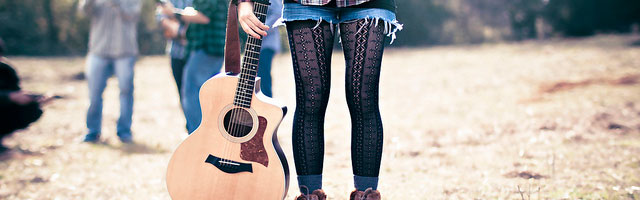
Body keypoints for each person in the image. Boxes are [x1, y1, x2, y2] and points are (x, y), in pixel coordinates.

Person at [237, 0, 402, 199]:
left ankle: (366, 193)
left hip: (368, 2)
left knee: (363, 99)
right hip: (306, 2)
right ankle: (310, 194)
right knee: (310, 100)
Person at [78, 0, 142, 143]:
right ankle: (92, 131)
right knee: (94, 93)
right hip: (98, 51)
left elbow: (132, 15)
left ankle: (124, 131)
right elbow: (84, 11)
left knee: (126, 92)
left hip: (124, 51)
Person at [165, 0, 228, 133]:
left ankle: (198, 139)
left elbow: (203, 16)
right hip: (207, 50)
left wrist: (174, 13)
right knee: (206, 97)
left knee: (193, 95)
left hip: (205, 49)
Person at [0, 38, 45, 153]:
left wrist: (33, 100)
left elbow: (17, 92)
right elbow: (12, 95)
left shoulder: (6, 70)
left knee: (31, 109)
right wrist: (9, 97)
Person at [156, 0, 193, 131]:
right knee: (182, 94)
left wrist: (183, 30)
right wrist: (180, 32)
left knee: (196, 94)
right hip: (176, 54)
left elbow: (199, 22)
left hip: (196, 52)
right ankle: (190, 128)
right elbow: (162, 19)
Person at [256, 0, 283, 98]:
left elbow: (278, 13)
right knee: (258, 75)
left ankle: (267, 103)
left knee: (263, 76)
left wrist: (261, 28)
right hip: (258, 43)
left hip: (268, 43)